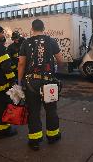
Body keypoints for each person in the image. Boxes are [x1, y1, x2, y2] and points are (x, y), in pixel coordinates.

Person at [18, 19, 63, 150]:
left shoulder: (26, 43)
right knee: (51, 110)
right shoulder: (51, 41)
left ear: (32, 29)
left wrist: (19, 81)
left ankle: (35, 140)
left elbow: (21, 63)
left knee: (33, 111)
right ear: (44, 28)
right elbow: (60, 60)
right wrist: (56, 69)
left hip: (31, 82)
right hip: (48, 82)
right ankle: (53, 136)